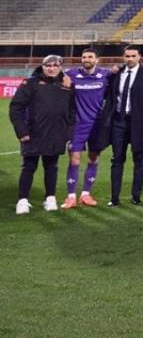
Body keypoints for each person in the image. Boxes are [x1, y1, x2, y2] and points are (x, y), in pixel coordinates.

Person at [9, 55, 75, 214]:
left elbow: (72, 111)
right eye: (47, 65)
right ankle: (22, 200)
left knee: (51, 167)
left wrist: (68, 132)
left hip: (56, 134)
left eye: (55, 65)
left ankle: (50, 198)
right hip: (33, 134)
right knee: (29, 167)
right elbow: (16, 108)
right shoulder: (30, 83)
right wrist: (22, 131)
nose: (51, 68)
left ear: (60, 67)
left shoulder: (67, 84)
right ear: (42, 66)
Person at [100, 44, 143, 206]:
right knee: (117, 160)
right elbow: (109, 96)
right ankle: (114, 198)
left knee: (139, 161)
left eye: (133, 56)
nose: (130, 59)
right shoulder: (116, 75)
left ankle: (136, 197)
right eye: (127, 56)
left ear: (139, 57)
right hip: (119, 122)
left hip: (140, 124)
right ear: (123, 57)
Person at [62, 47, 111, 208]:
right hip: (77, 124)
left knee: (93, 158)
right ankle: (70, 196)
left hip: (97, 124)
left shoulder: (105, 75)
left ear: (97, 60)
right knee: (74, 158)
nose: (86, 59)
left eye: (90, 57)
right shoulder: (71, 74)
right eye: (84, 57)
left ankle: (85, 194)